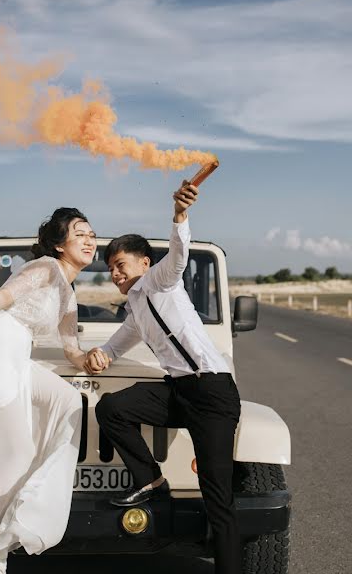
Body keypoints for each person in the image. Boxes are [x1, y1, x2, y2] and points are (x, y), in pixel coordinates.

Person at [87, 180, 243, 574]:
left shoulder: (161, 280)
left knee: (217, 497)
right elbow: (116, 344)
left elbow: (178, 255)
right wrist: (98, 355)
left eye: (120, 265)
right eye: (110, 270)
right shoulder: (137, 308)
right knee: (112, 408)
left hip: (212, 392)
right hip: (179, 393)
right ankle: (151, 480)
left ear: (143, 263)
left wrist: (179, 215)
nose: (115, 275)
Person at [0, 208, 96, 574]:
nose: (90, 240)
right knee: (9, 457)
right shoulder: (44, 268)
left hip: (15, 355)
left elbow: (72, 351)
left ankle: (11, 528)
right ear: (59, 245)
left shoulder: (68, 295)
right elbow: (5, 297)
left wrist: (94, 359)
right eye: (80, 234)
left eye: (92, 234)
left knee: (69, 400)